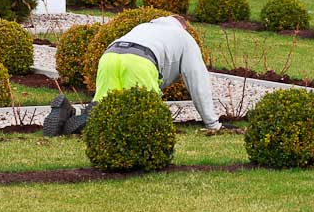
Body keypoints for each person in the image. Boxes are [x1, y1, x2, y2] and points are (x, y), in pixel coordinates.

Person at [43, 15, 226, 136]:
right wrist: (212, 124)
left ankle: (67, 112)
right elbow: (198, 84)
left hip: (110, 56)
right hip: (141, 61)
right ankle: (88, 120)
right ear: (183, 26)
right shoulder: (184, 37)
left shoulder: (145, 27)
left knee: (103, 111)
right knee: (147, 119)